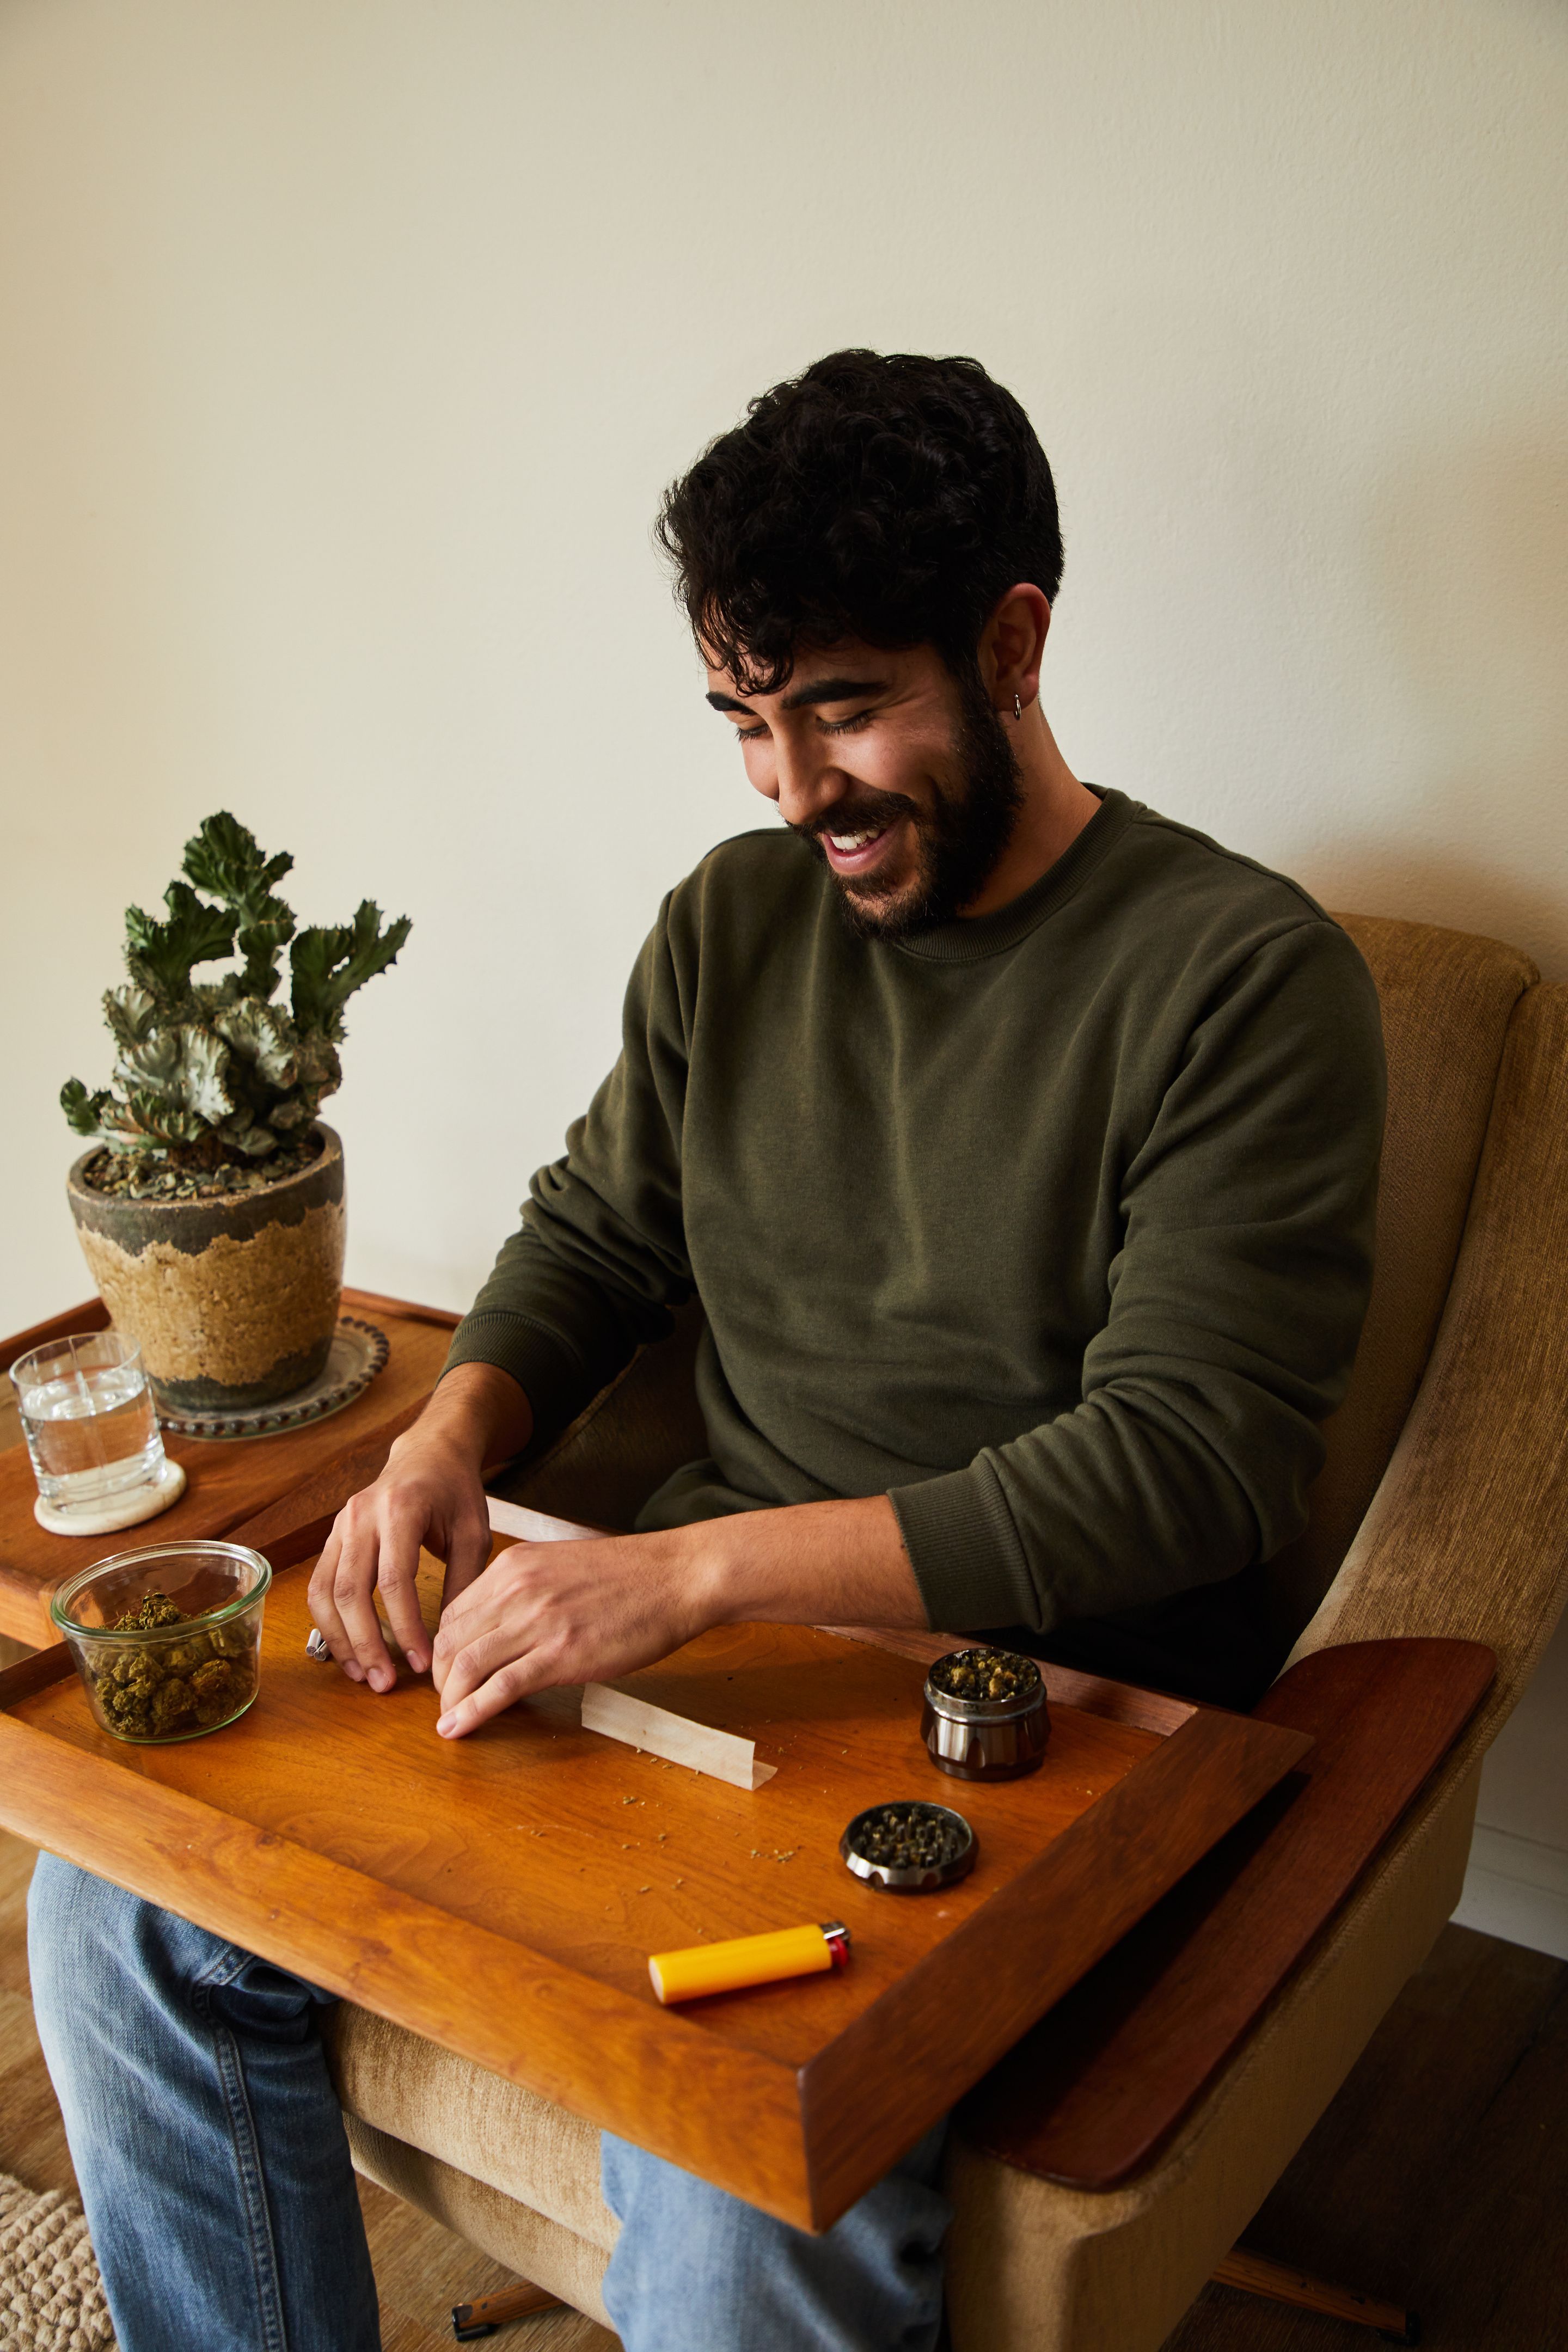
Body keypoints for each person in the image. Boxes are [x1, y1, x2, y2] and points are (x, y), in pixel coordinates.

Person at [30, 350, 1386, 2351]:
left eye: (844, 708)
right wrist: (444, 1449)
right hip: (681, 1661)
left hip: (1027, 1716)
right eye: (747, 721)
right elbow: (592, 1235)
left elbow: (1188, 1462)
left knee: (744, 2166)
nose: (791, 784)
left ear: (1013, 644)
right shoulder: (732, 925)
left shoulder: (1247, 980)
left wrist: (683, 1573)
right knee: (114, 1903)